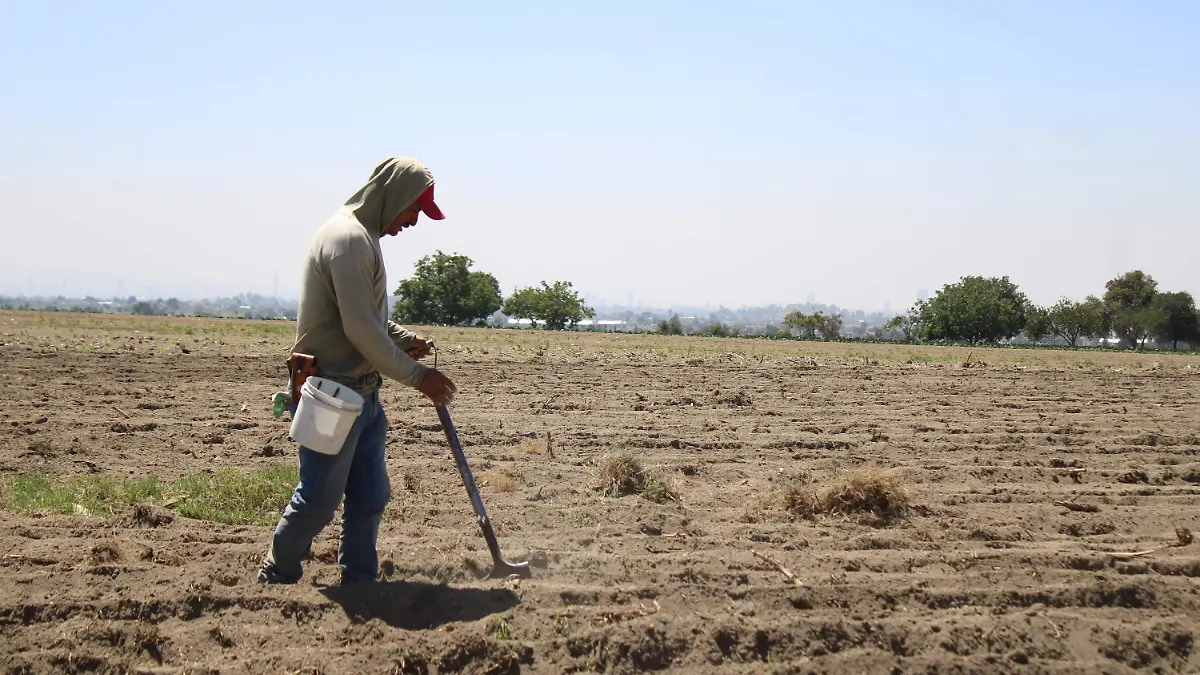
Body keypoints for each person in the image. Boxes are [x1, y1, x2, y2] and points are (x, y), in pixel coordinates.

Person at [258, 157, 458, 585]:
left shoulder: (362, 237)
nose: (412, 222)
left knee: (369, 496)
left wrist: (405, 340)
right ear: (395, 197)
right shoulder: (348, 241)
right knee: (317, 499)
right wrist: (419, 376)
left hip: (363, 393)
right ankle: (277, 571)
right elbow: (361, 330)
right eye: (413, 211)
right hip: (331, 392)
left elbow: (366, 316)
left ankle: (360, 579)